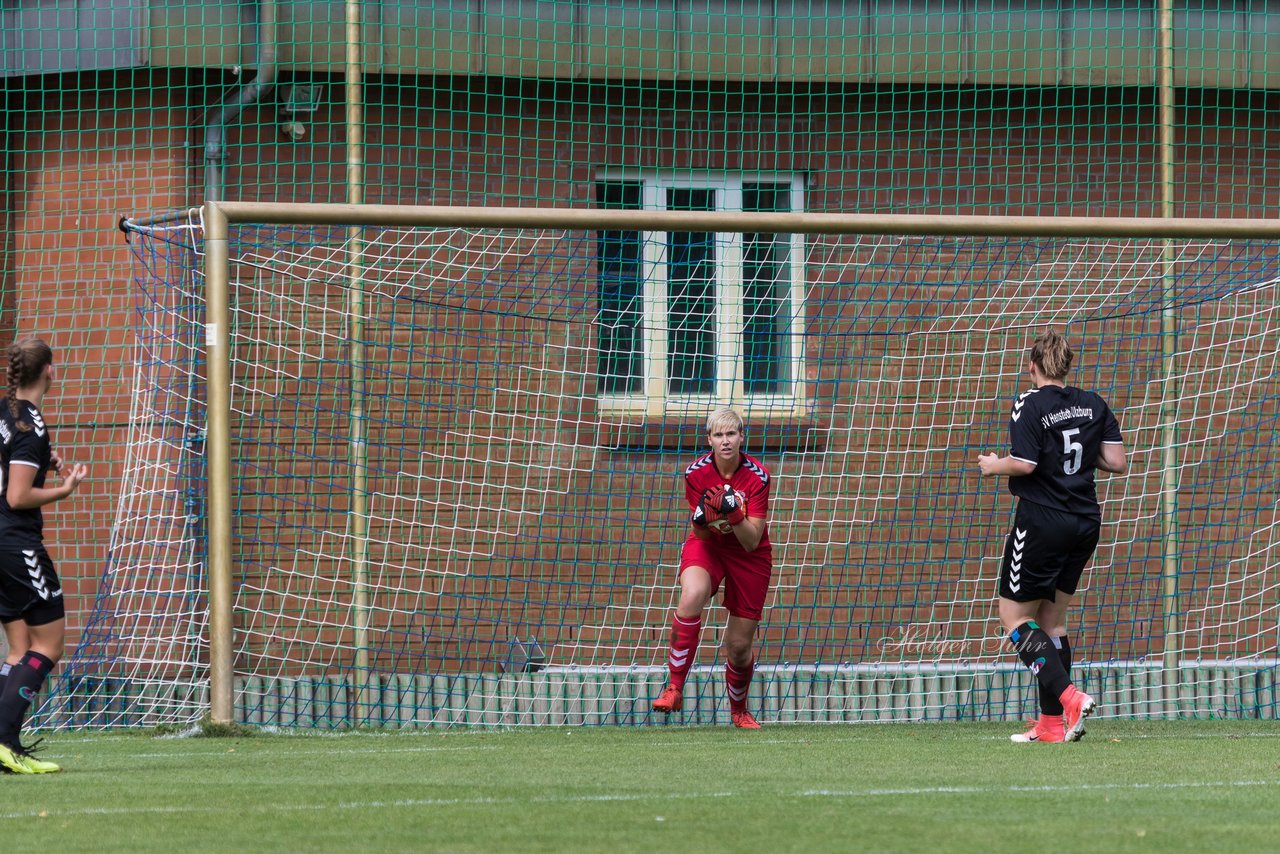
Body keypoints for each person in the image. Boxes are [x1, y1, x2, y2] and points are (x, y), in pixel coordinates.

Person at [978, 330, 1126, 743]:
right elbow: (1116, 461)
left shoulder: (1029, 402)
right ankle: (1049, 725)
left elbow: (1024, 464)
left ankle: (1070, 699)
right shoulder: (1094, 403)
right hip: (1084, 522)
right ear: (1066, 366)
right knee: (1052, 621)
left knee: (1014, 617)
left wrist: (994, 465)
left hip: (1043, 521)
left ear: (1033, 366)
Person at [653, 407, 772, 729]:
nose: (725, 441)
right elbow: (701, 532)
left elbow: (751, 540)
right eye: (718, 435)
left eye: (731, 434)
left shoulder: (758, 477)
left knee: (738, 647)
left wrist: (733, 513)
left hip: (750, 556)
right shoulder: (695, 473)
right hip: (708, 546)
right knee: (692, 593)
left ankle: (739, 711)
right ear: (709, 440)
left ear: (741, 437)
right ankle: (675, 687)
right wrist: (704, 518)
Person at [0, 338, 87, 774]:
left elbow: (11, 464)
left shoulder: (5, 410)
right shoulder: (30, 425)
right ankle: (3, 740)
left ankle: (2, 742)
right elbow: (17, 496)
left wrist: (39, 461)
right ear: (49, 371)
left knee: (19, 650)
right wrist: (64, 489)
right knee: (50, 644)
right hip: (17, 543)